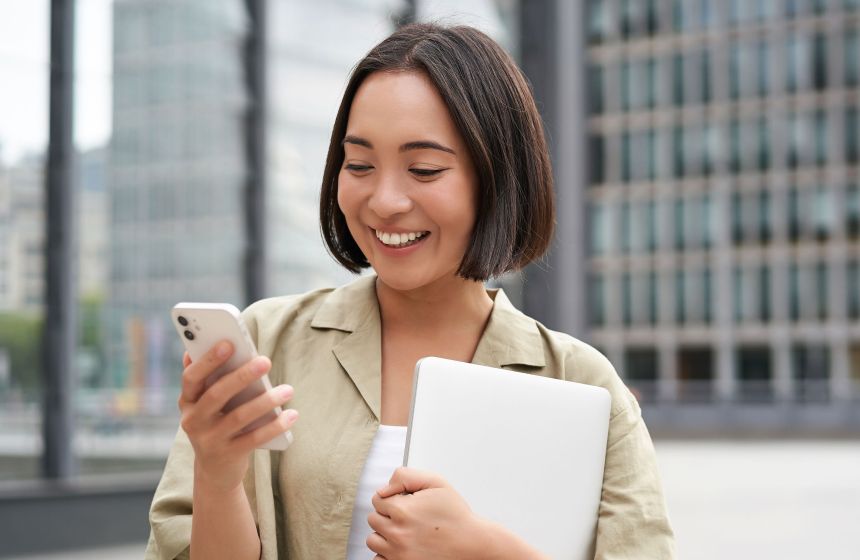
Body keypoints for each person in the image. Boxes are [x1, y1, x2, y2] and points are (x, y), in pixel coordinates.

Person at [145, 23, 675, 560]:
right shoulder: (268, 344)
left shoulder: (584, 385)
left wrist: (486, 551)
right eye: (359, 165)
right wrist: (217, 477)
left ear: (496, 178)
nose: (385, 200)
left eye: (423, 169)